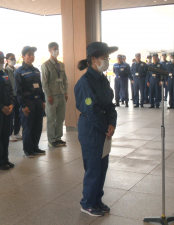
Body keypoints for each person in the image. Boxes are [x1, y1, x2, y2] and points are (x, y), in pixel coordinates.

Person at [75, 42, 117, 217]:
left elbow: (110, 105)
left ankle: (97, 199)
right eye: (104, 58)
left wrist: (112, 123)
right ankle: (87, 203)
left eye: (107, 58)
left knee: (102, 166)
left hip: (104, 128)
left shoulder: (102, 79)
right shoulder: (85, 81)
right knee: (93, 167)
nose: (107, 61)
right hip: (91, 129)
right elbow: (91, 110)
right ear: (94, 59)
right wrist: (104, 128)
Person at [15, 46, 46, 158]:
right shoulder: (20, 72)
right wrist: (23, 105)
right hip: (28, 102)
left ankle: (35, 147)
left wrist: (43, 101)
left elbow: (40, 87)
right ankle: (28, 150)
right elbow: (18, 91)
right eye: (29, 54)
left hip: (38, 101)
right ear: (23, 57)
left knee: (38, 125)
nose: (32, 56)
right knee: (28, 126)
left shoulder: (36, 71)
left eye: (33, 54)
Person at [41, 42, 69, 148]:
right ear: (49, 50)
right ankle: (51, 139)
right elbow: (44, 82)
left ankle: (58, 138)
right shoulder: (45, 65)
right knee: (51, 119)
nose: (56, 51)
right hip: (51, 96)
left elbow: (65, 79)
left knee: (61, 118)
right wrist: (48, 95)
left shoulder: (61, 64)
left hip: (61, 94)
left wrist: (66, 92)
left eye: (57, 49)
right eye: (54, 49)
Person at [4, 53, 21, 142]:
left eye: (14, 59)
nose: (13, 60)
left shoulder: (16, 70)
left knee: (18, 115)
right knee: (10, 116)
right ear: (7, 60)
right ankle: (10, 134)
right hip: (10, 96)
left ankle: (17, 132)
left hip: (17, 95)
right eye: (11, 59)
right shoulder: (5, 71)